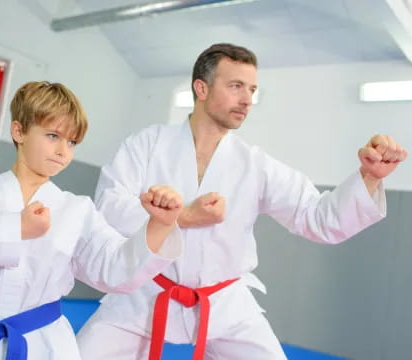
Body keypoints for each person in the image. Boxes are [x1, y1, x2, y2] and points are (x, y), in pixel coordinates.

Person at [76, 43, 408, 360]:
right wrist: (183, 217)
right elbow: (109, 207)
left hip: (224, 305)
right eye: (236, 86)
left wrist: (370, 177)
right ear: (201, 89)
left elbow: (318, 218)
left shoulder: (255, 165)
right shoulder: (147, 145)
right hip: (145, 296)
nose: (247, 99)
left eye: (252, 90)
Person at [0, 81, 185, 360]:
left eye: (72, 141)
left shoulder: (76, 210)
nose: (63, 150)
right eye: (53, 135)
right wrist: (17, 228)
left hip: (43, 344)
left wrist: (159, 225)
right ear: (19, 132)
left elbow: (114, 268)